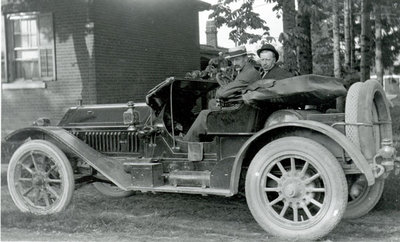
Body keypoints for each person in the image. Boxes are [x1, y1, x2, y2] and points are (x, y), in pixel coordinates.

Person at [183, 46, 260, 142]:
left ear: (246, 58)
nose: (235, 63)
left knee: (203, 115)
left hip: (241, 118)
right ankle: (211, 139)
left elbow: (221, 94)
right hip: (244, 112)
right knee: (212, 103)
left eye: (237, 59)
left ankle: (187, 143)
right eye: (233, 60)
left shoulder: (248, 73)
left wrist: (223, 89)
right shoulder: (248, 71)